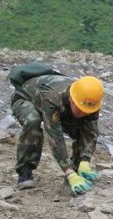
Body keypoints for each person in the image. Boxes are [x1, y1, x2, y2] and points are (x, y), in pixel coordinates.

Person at [9, 63, 103, 194]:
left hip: (62, 106)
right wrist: (67, 171)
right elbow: (55, 137)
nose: (84, 113)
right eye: (80, 110)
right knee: (33, 121)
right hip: (25, 98)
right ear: (71, 98)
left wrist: (85, 160)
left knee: (81, 128)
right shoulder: (52, 99)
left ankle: (77, 170)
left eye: (87, 111)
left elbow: (90, 133)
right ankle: (25, 170)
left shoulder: (90, 102)